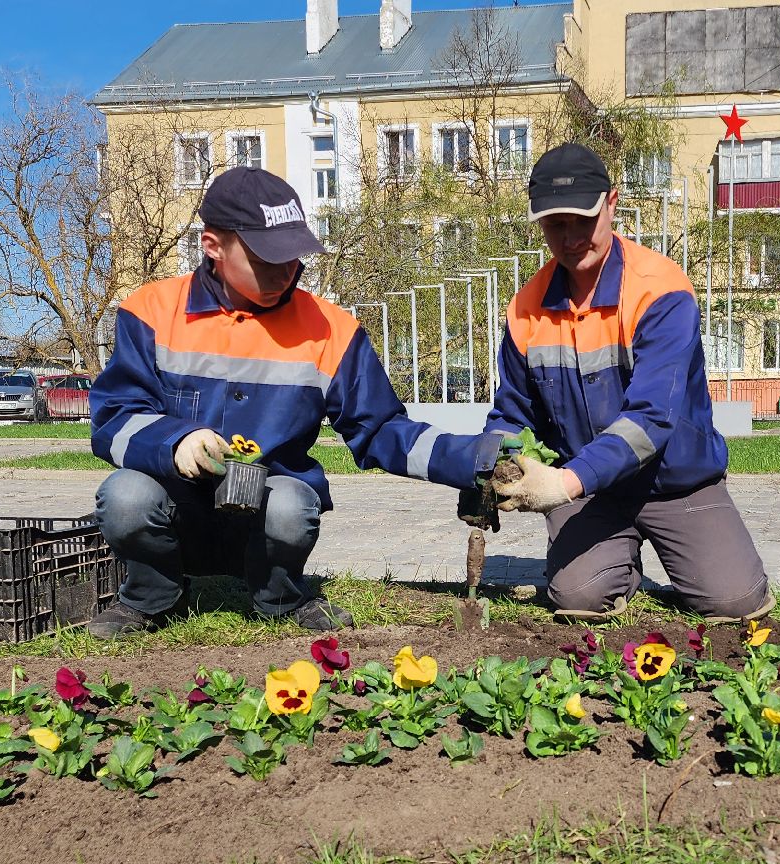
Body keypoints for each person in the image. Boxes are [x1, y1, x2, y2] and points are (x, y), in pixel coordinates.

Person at [87, 167, 499, 639]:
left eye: (292, 255)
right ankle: (151, 598)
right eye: (266, 257)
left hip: (268, 513)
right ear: (213, 246)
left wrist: (474, 459)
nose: (284, 271)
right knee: (125, 496)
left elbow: (382, 431)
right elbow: (113, 417)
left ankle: (280, 597)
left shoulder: (331, 329)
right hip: (176, 507)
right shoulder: (150, 311)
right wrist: (175, 441)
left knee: (290, 505)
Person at [466, 143, 773, 623]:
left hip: (674, 482)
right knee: (578, 597)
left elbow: (651, 419)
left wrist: (562, 483)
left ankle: (656, 546)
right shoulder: (526, 308)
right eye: (555, 224)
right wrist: (490, 472)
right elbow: (513, 411)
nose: (570, 239)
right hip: (590, 494)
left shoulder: (660, 290)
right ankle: (616, 564)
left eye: (583, 221)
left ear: (611, 204)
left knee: (735, 601)